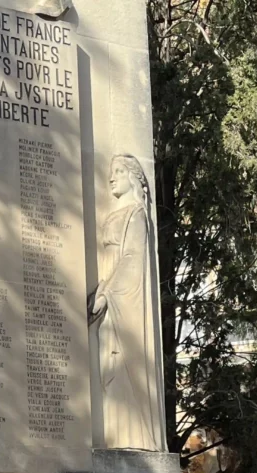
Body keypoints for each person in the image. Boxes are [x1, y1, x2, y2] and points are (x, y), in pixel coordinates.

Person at [87, 154, 166, 451]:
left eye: (119, 171)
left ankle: (135, 440)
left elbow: (132, 259)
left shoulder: (136, 214)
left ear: (133, 177)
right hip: (109, 292)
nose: (112, 178)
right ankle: (116, 437)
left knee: (122, 365)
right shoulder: (116, 215)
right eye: (112, 171)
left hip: (123, 301)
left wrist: (106, 294)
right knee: (109, 369)